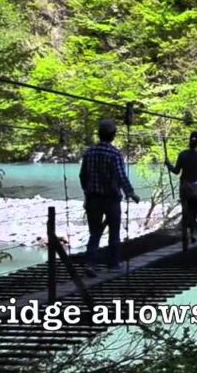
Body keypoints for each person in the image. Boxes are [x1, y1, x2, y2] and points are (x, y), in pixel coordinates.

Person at [79, 118, 140, 277]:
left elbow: (82, 176)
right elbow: (121, 176)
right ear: (113, 135)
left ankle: (91, 264)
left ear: (99, 135)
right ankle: (113, 263)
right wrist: (131, 193)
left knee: (95, 232)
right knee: (114, 231)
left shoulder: (89, 152)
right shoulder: (114, 153)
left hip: (93, 198)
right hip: (111, 199)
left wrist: (87, 192)